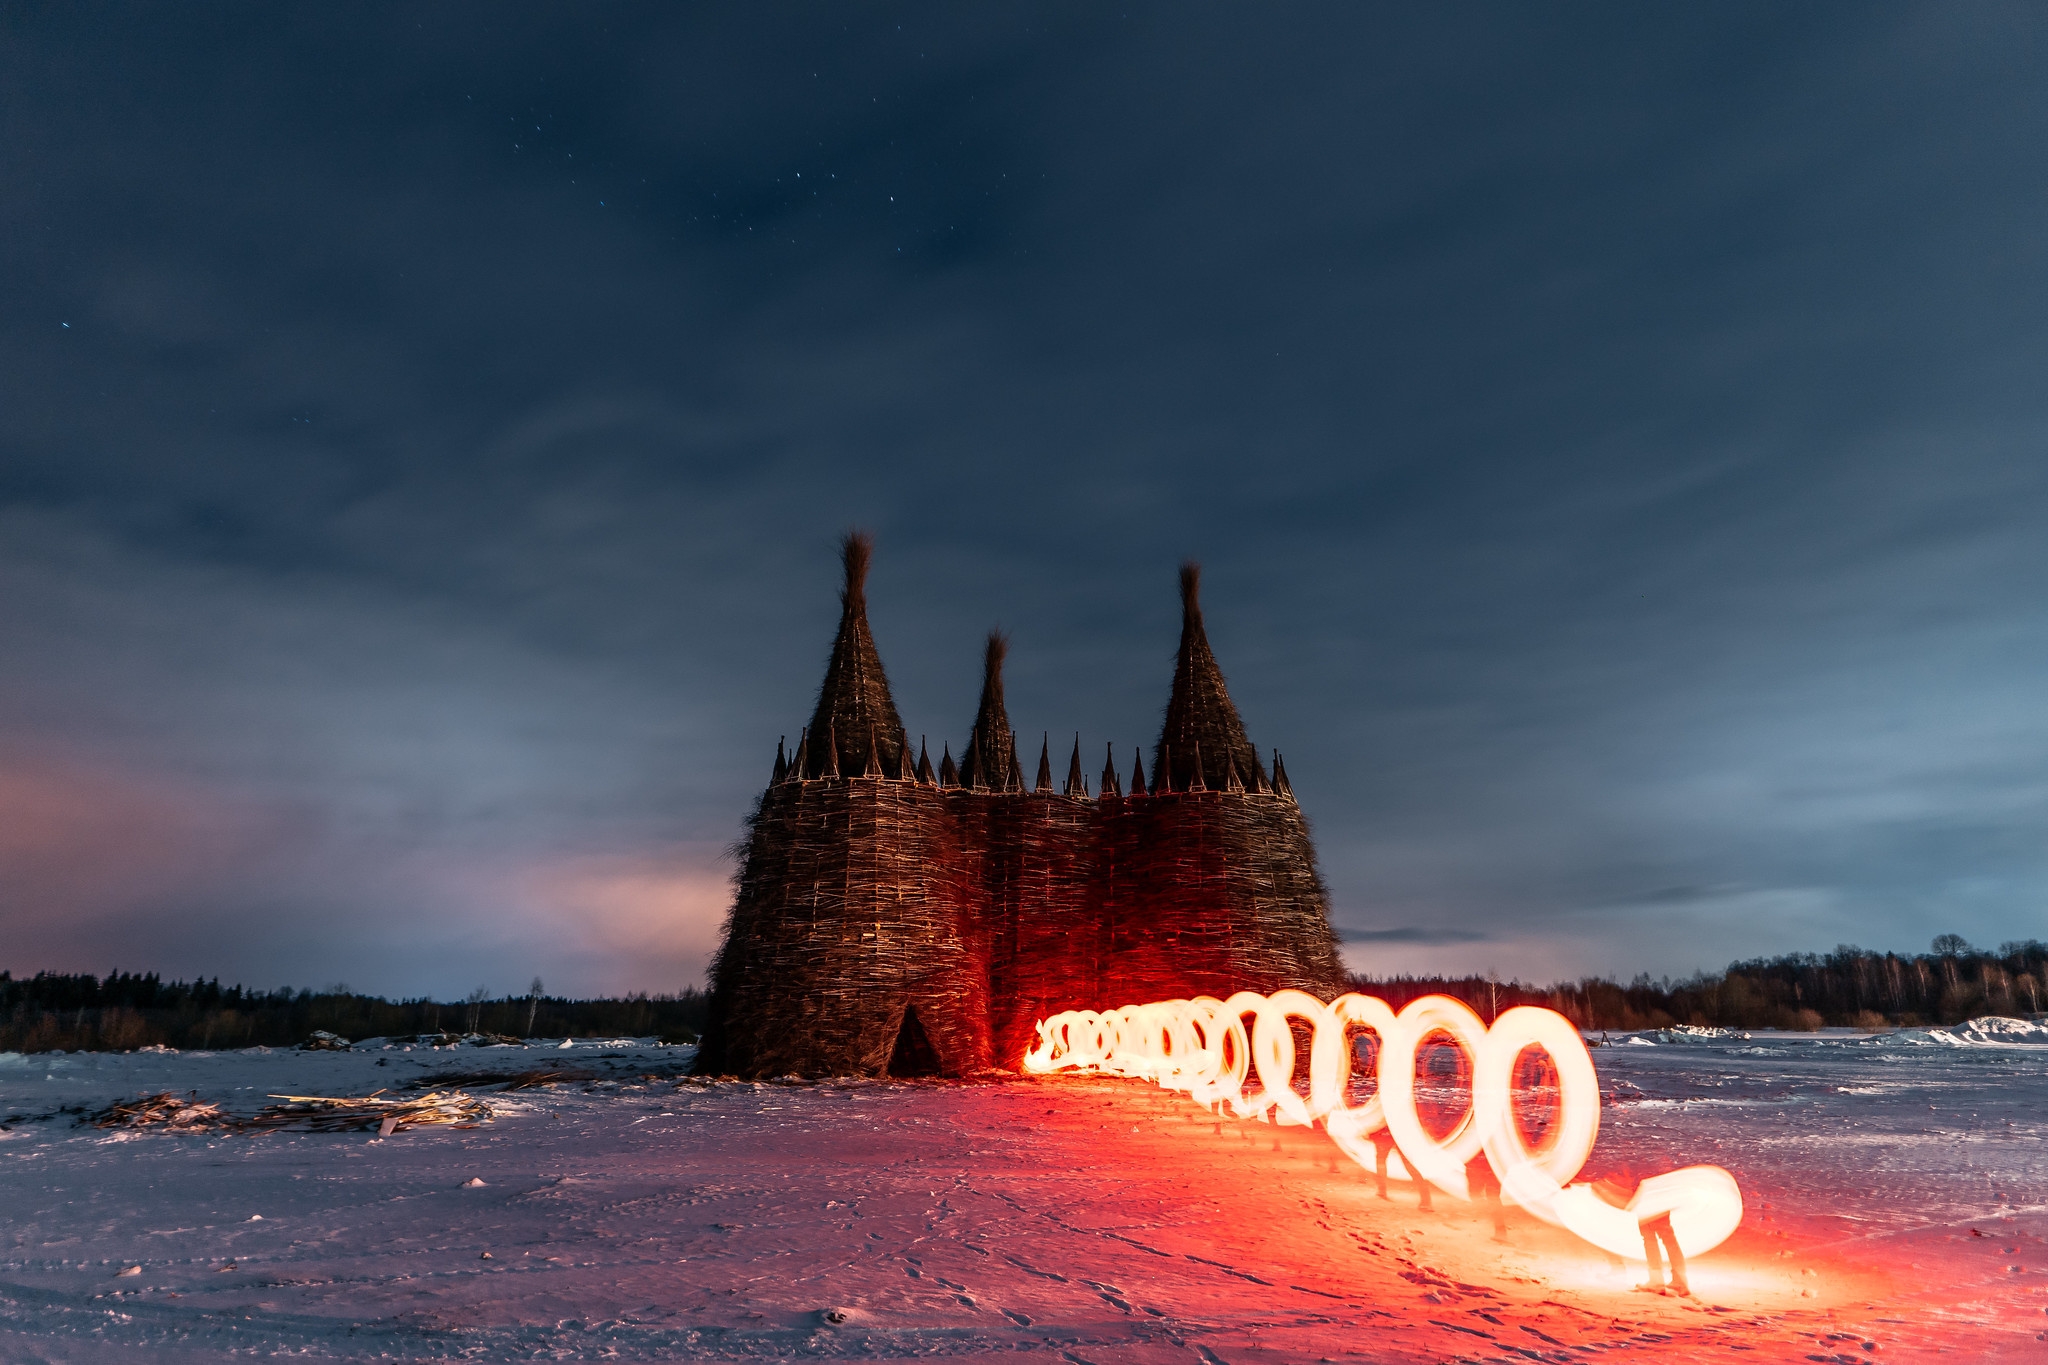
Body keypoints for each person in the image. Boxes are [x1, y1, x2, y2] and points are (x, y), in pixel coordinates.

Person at [1591, 1167, 1688, 1296]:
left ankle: (1657, 1281)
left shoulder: (1639, 1154)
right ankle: (1679, 1281)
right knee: (1667, 1237)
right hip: (1658, 1190)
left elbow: (1631, 1171)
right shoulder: (1656, 1152)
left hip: (1647, 1192)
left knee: (1650, 1238)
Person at [1466, 1151, 1507, 1239]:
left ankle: (1500, 1230)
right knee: (1491, 1196)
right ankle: (1500, 1230)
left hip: (1482, 1164)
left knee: (1488, 1196)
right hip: (1494, 1165)